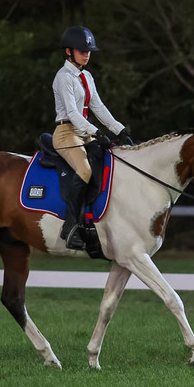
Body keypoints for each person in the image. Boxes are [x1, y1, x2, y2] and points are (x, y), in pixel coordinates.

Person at [53, 25, 133, 250]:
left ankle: (96, 222)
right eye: (81, 50)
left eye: (88, 50)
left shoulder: (86, 76)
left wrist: (119, 130)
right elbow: (73, 114)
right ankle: (69, 227)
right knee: (85, 170)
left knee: (110, 160)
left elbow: (97, 106)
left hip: (83, 132)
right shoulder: (63, 77)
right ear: (68, 51)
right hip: (66, 133)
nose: (86, 54)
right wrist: (97, 133)